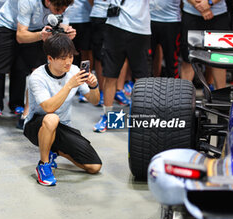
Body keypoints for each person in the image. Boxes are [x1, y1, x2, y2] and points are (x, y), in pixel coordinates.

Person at [0, 0, 76, 139]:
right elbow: (21, 36)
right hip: (9, 27)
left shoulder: (66, 3)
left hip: (37, 29)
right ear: (47, 1)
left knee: (37, 73)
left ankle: (26, 116)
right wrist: (41, 36)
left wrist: (67, 34)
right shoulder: (28, 1)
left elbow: (62, 26)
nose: (60, 12)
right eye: (58, 8)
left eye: (64, 9)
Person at [24, 33, 102, 186]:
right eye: (62, 58)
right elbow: (48, 107)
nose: (68, 62)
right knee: (52, 118)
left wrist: (94, 86)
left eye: (70, 57)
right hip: (36, 125)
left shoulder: (73, 71)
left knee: (94, 167)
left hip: (63, 126)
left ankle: (55, 151)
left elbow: (95, 100)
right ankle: (44, 165)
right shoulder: (38, 77)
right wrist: (69, 85)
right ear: (50, 58)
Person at [93, 0, 151, 133]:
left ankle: (143, 119)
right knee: (110, 74)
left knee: (142, 79)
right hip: (115, 25)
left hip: (140, 28)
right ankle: (108, 117)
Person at [180, 0, 229, 90]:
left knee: (219, 58)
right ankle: (183, 98)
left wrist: (210, 2)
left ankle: (221, 98)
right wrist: (200, 6)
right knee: (188, 58)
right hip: (191, 13)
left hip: (218, 15)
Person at [149, 0, 181, 79]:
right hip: (148, 20)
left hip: (171, 20)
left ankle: (174, 88)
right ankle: (147, 88)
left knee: (171, 61)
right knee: (146, 61)